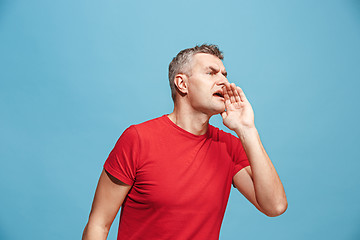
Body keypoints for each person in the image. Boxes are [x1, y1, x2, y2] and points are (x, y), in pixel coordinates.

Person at [82, 44, 287, 240]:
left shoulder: (228, 146)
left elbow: (274, 206)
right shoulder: (137, 139)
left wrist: (247, 129)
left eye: (224, 74)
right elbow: (99, 223)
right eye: (211, 73)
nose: (224, 82)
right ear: (182, 83)